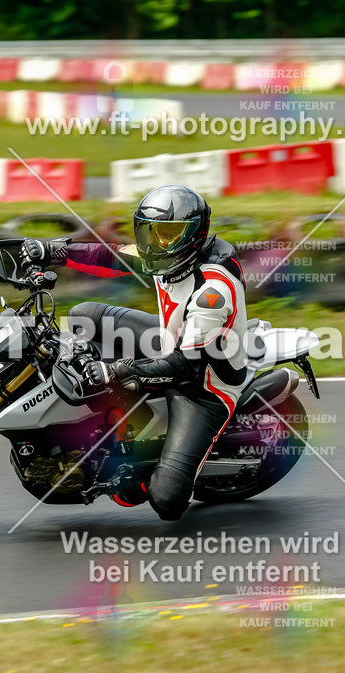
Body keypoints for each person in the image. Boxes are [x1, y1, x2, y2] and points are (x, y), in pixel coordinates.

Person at [20, 185, 247, 521]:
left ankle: (148, 468)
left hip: (203, 384)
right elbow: (110, 256)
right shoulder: (168, 254)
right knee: (83, 315)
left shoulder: (212, 292)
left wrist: (116, 370)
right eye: (149, 231)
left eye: (167, 234)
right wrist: (53, 250)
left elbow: (184, 365)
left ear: (194, 235)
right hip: (171, 338)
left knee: (166, 499)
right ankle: (129, 415)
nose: (154, 243)